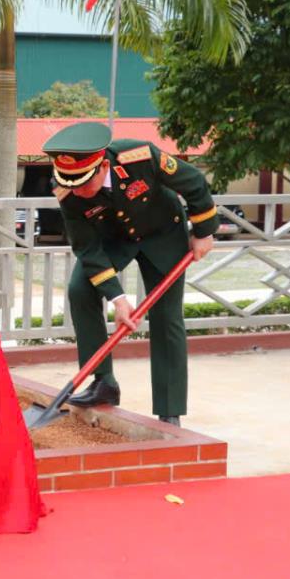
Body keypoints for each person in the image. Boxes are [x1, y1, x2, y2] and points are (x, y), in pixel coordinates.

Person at [42, 122, 218, 428]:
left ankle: (169, 408)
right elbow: (86, 247)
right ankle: (103, 383)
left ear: (103, 166)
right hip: (114, 240)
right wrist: (117, 298)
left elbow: (194, 183)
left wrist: (203, 232)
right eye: (74, 185)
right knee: (80, 289)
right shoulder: (67, 189)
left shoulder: (138, 156)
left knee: (166, 315)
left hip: (163, 233)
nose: (79, 192)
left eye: (85, 184)